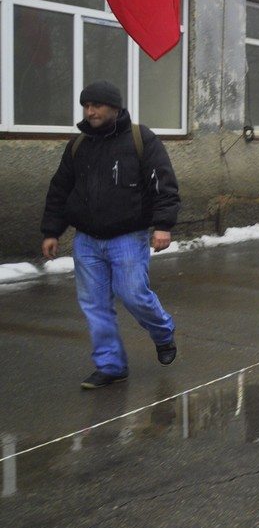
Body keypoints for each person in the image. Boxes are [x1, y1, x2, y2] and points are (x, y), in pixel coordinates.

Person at [41, 81, 179, 389]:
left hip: (127, 237)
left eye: (96, 106)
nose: (90, 112)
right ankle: (110, 365)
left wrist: (163, 225)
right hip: (87, 241)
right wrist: (52, 231)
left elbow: (163, 183)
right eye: (86, 106)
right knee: (94, 305)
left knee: (134, 295)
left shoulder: (140, 139)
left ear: (115, 107)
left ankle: (163, 332)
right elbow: (60, 189)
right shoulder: (78, 145)